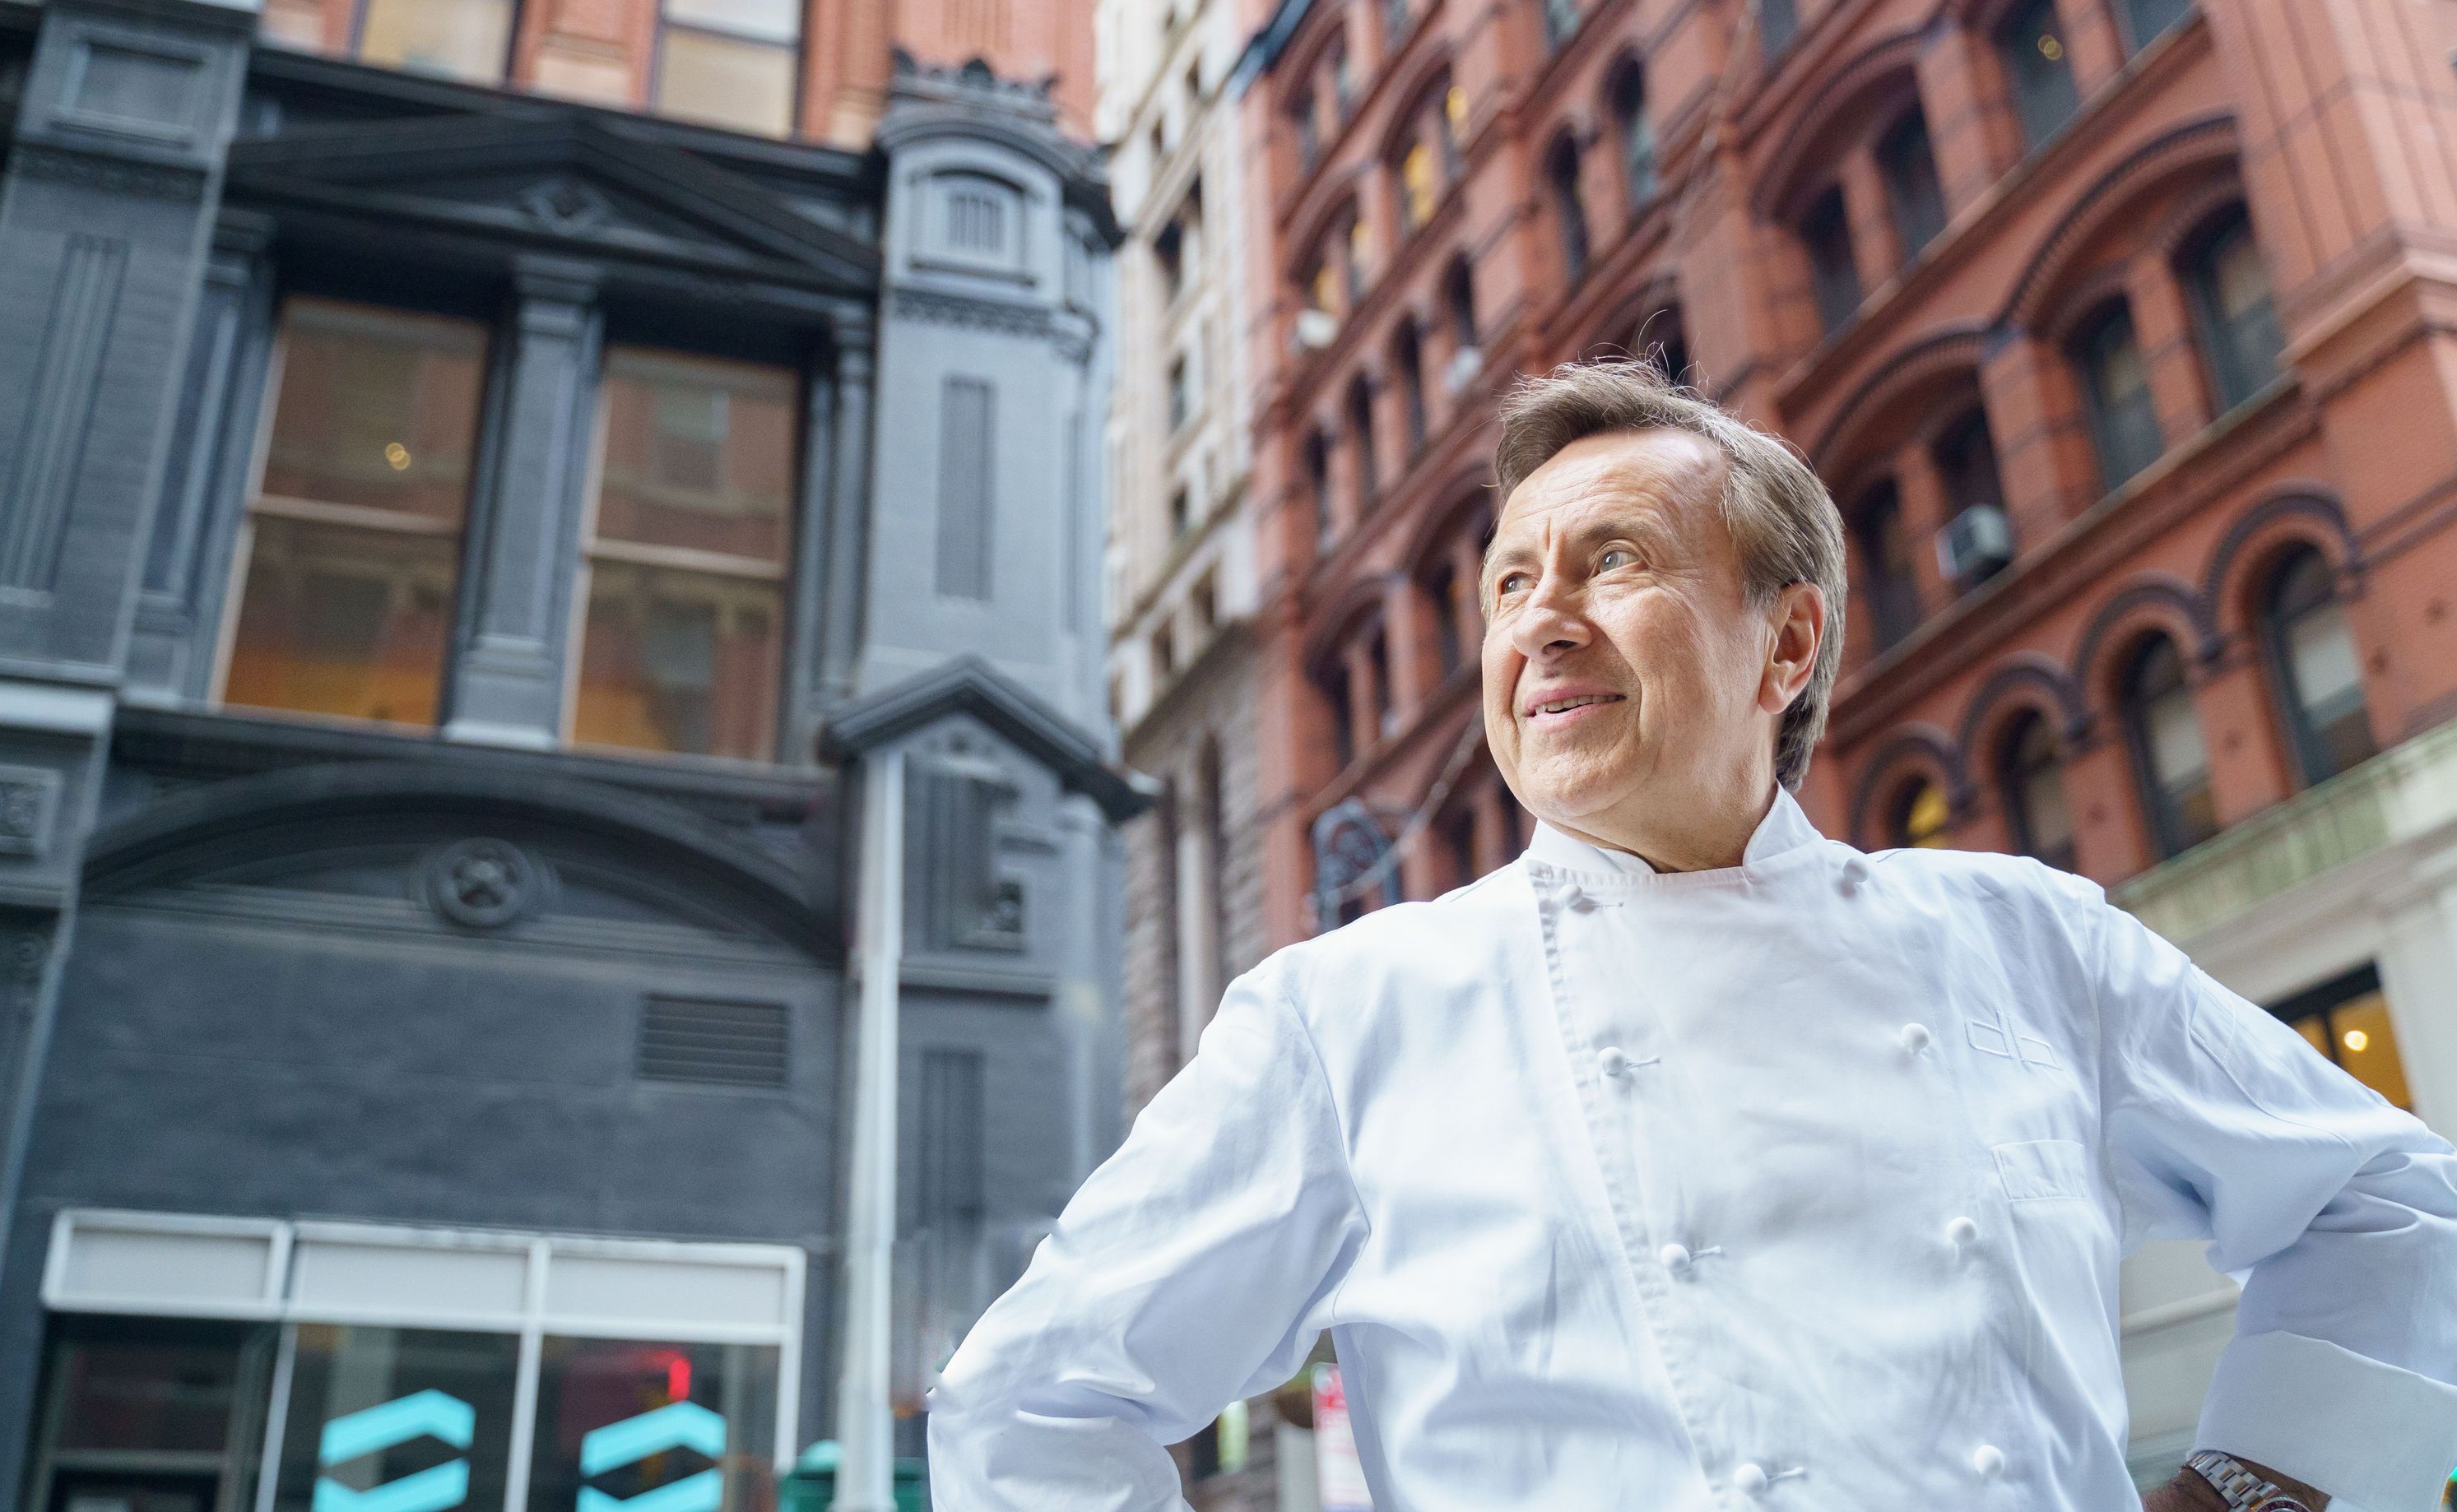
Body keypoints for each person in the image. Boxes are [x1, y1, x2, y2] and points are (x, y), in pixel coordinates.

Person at [925, 360, 2457, 1510]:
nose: (1540, 622)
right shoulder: (1351, 1012)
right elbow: (1036, 1403)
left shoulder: (2027, 941)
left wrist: (2257, 1488)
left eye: (1614, 561)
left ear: (1785, 641)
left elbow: (2395, 1205)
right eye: (1510, 583)